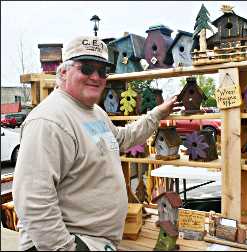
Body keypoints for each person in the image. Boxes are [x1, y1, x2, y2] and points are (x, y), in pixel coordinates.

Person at [13, 35, 179, 251]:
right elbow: (34, 201)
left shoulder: (95, 112)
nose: (96, 77)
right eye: (87, 69)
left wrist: (157, 114)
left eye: (102, 71)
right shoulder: (48, 121)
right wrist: (68, 248)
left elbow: (122, 138)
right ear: (63, 72)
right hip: (68, 243)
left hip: (94, 242)